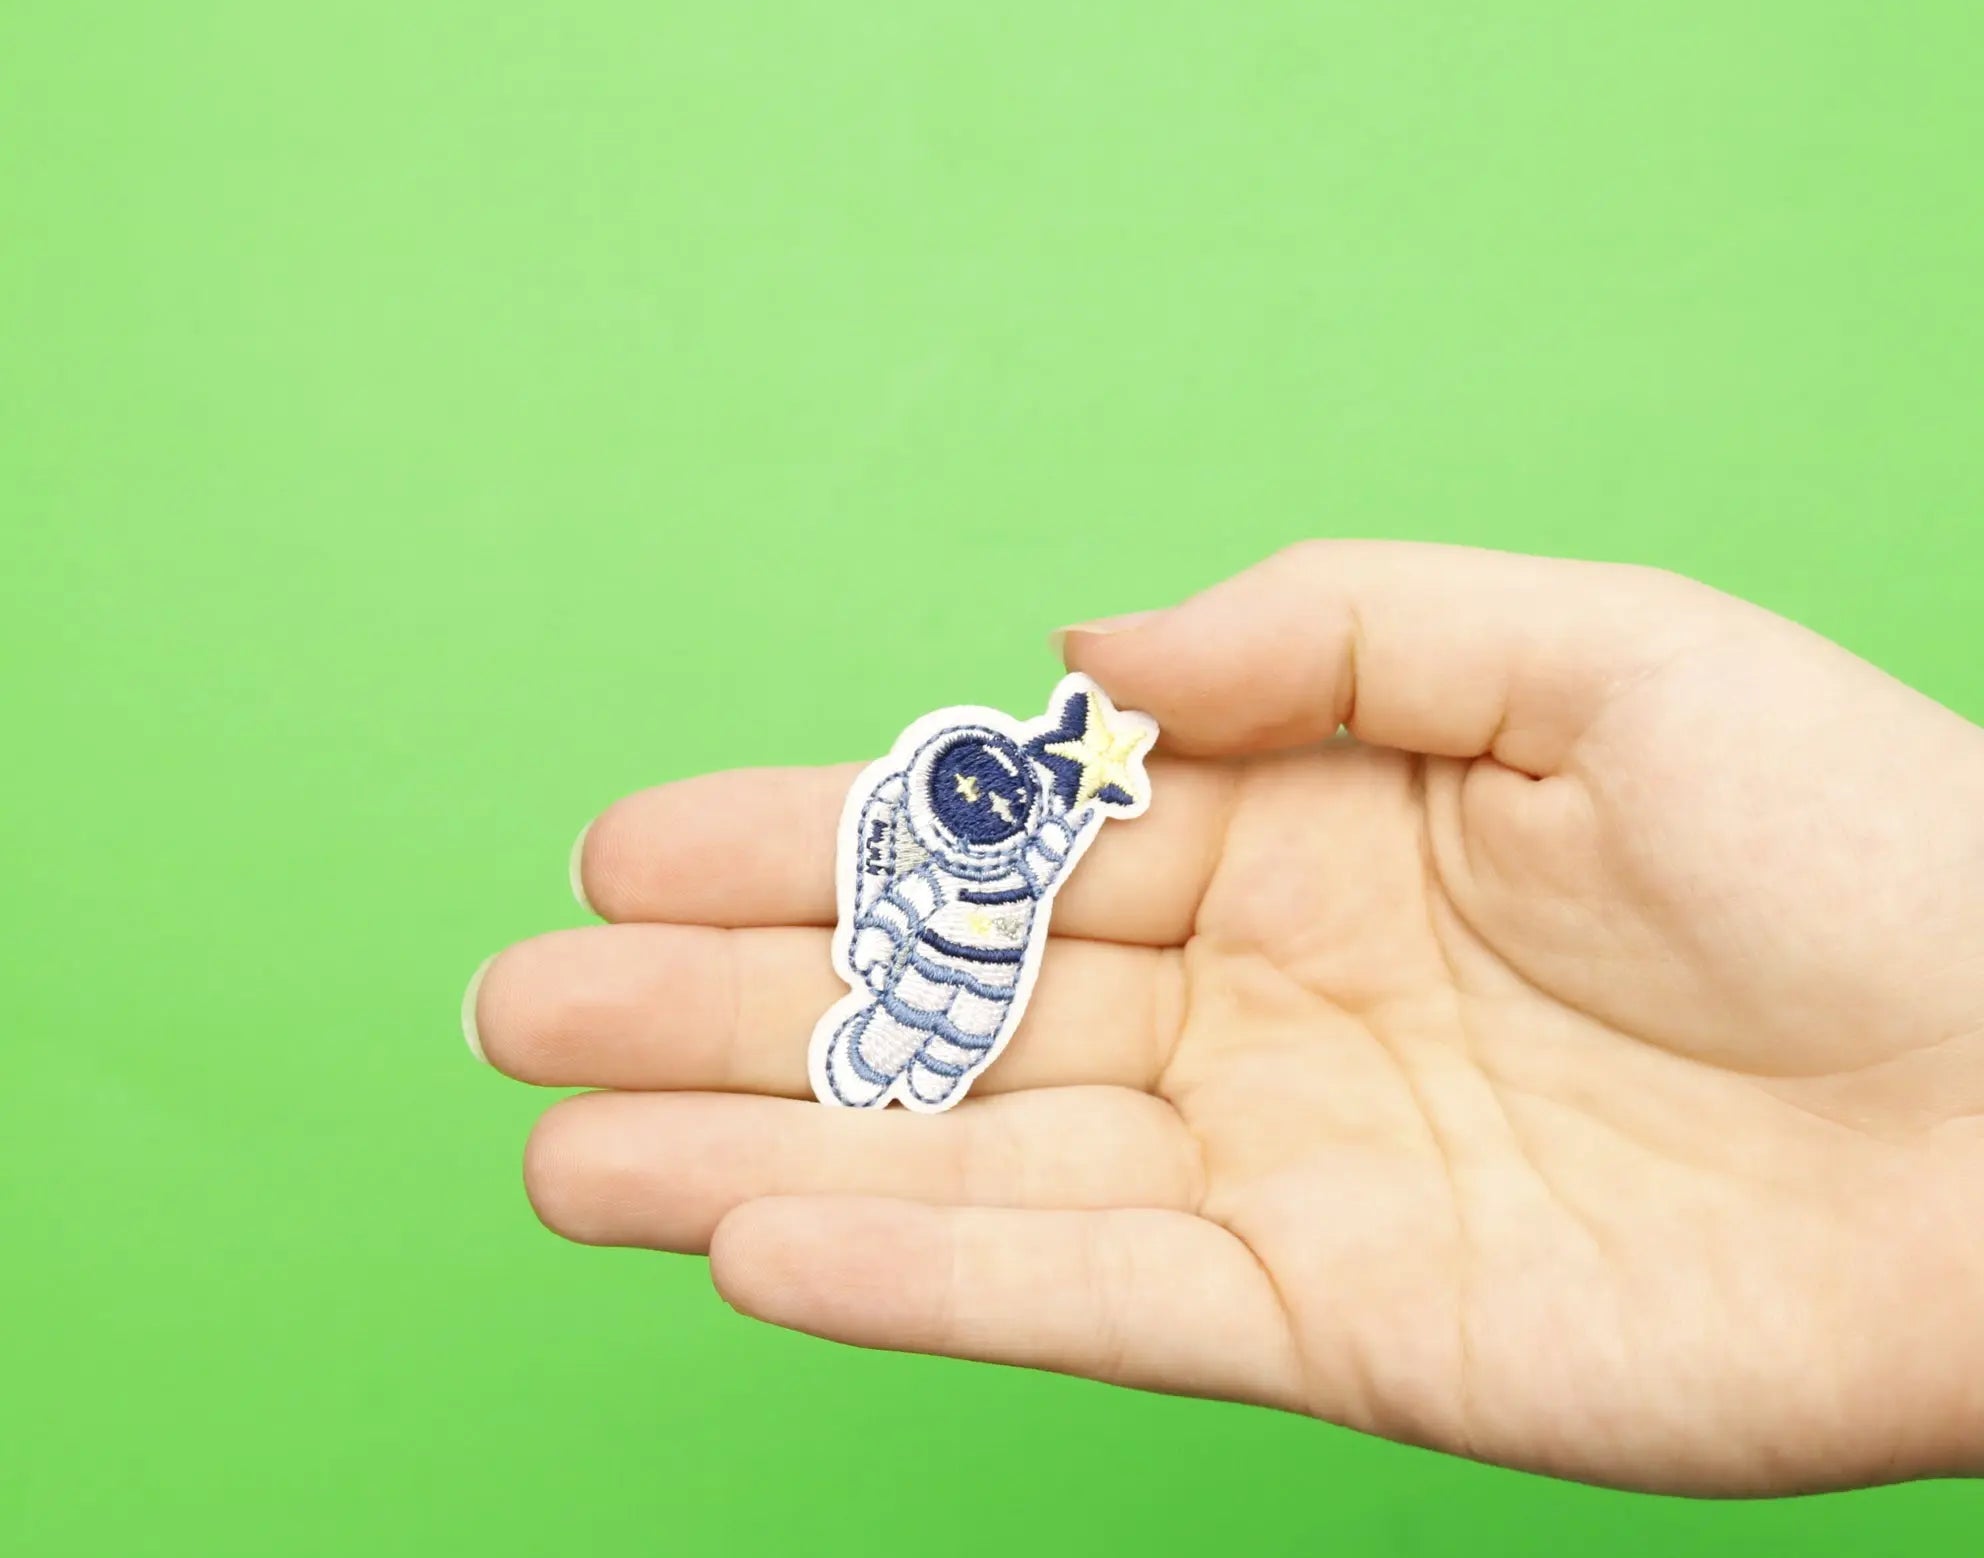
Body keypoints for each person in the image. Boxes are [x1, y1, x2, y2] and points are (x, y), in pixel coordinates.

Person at [464, 543, 1984, 1497]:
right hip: (949, 953)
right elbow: (938, 861)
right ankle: (890, 1048)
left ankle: (898, 1047)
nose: (1001, 796)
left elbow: (1046, 816)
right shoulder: (960, 836)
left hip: (983, 965)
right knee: (908, 1028)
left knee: (933, 1025)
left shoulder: (1042, 820)